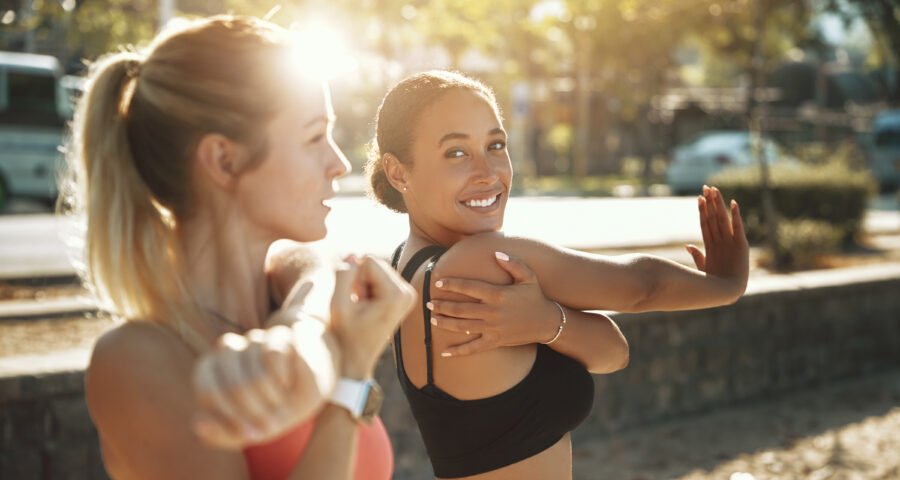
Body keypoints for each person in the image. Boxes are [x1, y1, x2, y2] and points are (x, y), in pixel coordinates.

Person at [64, 16, 415, 480]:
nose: (339, 162)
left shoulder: (291, 297)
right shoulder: (136, 360)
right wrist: (350, 374)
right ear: (224, 160)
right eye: (314, 137)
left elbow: (313, 270)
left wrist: (300, 325)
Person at [365, 70, 749, 479]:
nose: (489, 172)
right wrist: (724, 286)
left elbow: (614, 351)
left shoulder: (405, 268)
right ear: (398, 172)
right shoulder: (476, 263)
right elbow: (639, 288)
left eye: (496, 145)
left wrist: (548, 321)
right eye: (456, 153)